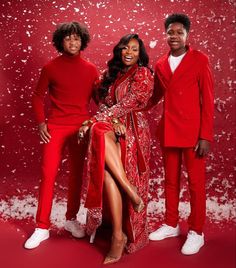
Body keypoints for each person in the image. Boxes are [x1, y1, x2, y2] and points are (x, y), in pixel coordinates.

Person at [78, 34, 153, 264]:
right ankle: (119, 227)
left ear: (140, 53)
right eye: (124, 48)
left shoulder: (143, 73)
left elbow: (131, 102)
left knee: (97, 130)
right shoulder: (111, 74)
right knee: (104, 157)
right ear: (119, 50)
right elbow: (103, 102)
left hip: (133, 132)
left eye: (133, 49)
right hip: (114, 126)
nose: (128, 52)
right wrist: (111, 118)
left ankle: (121, 234)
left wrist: (93, 120)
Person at [24, 22, 99, 249]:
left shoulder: (91, 69)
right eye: (68, 38)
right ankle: (42, 227)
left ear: (82, 41)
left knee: (77, 175)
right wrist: (40, 124)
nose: (73, 42)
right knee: (48, 175)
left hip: (81, 128)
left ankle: (70, 219)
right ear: (60, 41)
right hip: (55, 127)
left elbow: (100, 100)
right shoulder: (50, 67)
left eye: (76, 38)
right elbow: (37, 97)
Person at [148, 13, 214, 255]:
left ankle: (197, 231)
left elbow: (207, 100)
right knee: (171, 181)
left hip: (194, 134)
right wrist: (131, 105)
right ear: (166, 34)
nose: (174, 36)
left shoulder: (199, 59)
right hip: (169, 130)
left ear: (187, 35)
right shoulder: (160, 64)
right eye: (170, 32)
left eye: (179, 32)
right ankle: (171, 223)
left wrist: (205, 136)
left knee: (196, 184)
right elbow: (154, 96)